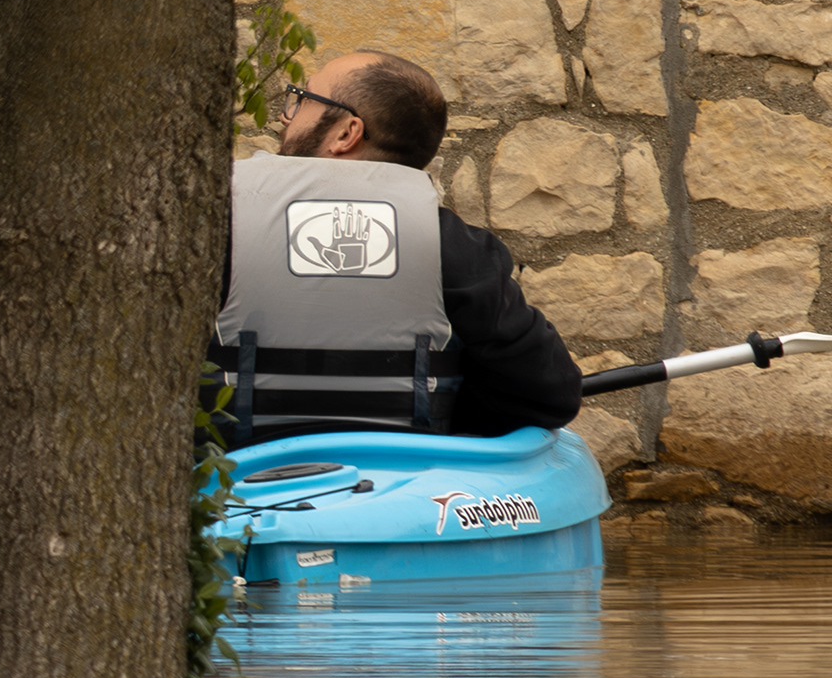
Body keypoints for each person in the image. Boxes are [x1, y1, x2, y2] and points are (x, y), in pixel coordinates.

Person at [207, 48, 582, 440]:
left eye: (304, 100)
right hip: (407, 481)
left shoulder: (217, 226)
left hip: (235, 484)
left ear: (346, 133)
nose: (286, 115)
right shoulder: (456, 249)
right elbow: (549, 395)